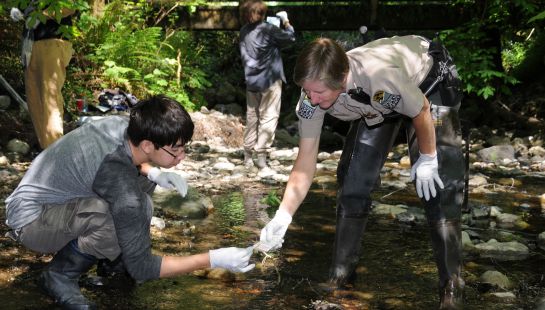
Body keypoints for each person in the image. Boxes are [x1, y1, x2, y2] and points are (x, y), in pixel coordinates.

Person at [259, 36, 465, 309]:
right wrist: (283, 216)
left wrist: (427, 158)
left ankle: (452, 289)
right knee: (352, 181)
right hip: (378, 104)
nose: (311, 98)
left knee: (440, 187)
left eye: (318, 93)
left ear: (342, 78)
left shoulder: (379, 77)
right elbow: (305, 160)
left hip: (428, 87)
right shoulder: (312, 94)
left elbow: (421, 109)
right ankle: (340, 279)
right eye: (307, 91)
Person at [4, 95, 255, 309]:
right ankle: (59, 274)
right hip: (31, 221)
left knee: (142, 194)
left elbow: (128, 158)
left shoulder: (125, 125)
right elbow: (143, 269)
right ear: (147, 144)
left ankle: (112, 262)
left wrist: (154, 172)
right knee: (119, 215)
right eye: (176, 150)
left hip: (59, 200)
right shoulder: (115, 176)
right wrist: (213, 258)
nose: (182, 157)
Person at [239, 0, 296, 169]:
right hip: (270, 80)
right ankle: (261, 157)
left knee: (252, 118)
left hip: (251, 81)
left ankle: (248, 156)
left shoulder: (243, 31)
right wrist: (285, 21)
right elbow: (291, 37)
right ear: (262, 14)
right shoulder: (269, 29)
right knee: (268, 117)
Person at [11, 3, 75, 149]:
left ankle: (56, 156)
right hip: (31, 46)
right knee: (35, 102)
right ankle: (47, 152)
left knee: (49, 102)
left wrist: (41, 16)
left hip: (53, 42)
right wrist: (19, 11)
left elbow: (71, 6)